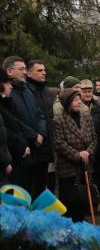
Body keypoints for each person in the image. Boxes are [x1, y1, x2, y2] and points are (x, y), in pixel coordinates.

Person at [3, 56, 47, 199]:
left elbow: (40, 114)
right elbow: (13, 120)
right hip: (21, 150)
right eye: (21, 69)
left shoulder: (27, 90)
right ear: (9, 71)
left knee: (36, 190)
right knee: (21, 192)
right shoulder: (8, 93)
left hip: (37, 149)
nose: (24, 72)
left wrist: (41, 133)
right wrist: (33, 136)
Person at [54, 88, 97, 222]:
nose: (79, 102)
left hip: (85, 165)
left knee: (83, 199)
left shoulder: (86, 117)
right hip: (68, 167)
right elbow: (59, 143)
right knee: (70, 200)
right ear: (68, 103)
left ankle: (81, 224)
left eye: (79, 99)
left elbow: (94, 138)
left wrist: (87, 152)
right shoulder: (59, 120)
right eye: (76, 100)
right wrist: (77, 154)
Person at [26, 60, 55, 192]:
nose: (44, 73)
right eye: (39, 70)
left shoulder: (46, 92)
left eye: (44, 70)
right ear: (29, 74)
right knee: (31, 188)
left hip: (46, 148)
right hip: (33, 147)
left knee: (41, 187)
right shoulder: (26, 91)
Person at [0, 69, 30, 185]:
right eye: (7, 83)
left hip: (14, 159)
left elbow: (16, 126)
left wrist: (24, 145)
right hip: (9, 161)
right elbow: (5, 133)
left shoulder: (6, 103)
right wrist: (5, 162)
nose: (11, 86)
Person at [80, 79, 100, 198]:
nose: (87, 94)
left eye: (89, 91)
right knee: (86, 171)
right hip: (84, 144)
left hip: (98, 141)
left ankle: (99, 191)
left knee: (97, 168)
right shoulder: (76, 105)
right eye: (85, 91)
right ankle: (88, 196)